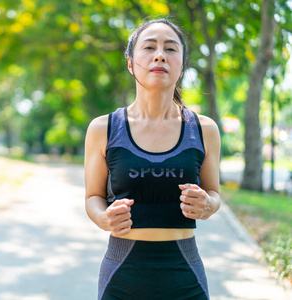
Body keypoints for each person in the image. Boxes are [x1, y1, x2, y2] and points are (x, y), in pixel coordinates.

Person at [84, 18, 221, 300]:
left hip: (185, 277)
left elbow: (214, 194)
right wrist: (104, 218)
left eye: (171, 49)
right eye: (149, 47)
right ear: (131, 63)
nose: (160, 54)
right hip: (122, 277)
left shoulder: (204, 129)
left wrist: (207, 204)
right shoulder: (103, 128)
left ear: (182, 66)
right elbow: (93, 197)